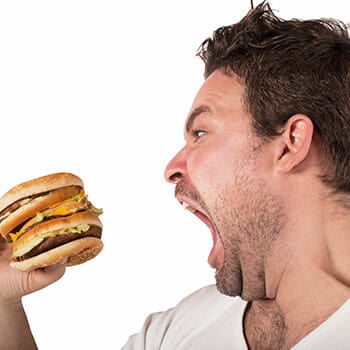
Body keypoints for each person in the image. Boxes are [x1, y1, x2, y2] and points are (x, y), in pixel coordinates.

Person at [2, 1, 350, 349]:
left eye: (200, 133)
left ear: (290, 144)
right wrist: (4, 302)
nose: (172, 168)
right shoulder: (177, 330)